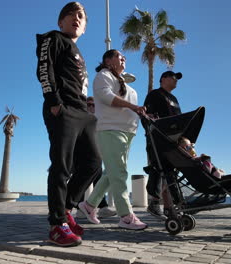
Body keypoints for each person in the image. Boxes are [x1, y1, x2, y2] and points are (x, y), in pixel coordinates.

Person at [36, 2, 102, 247]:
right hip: (62, 108)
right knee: (62, 166)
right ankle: (56, 225)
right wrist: (52, 99)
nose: (77, 18)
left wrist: (89, 103)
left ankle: (66, 209)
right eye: (72, 14)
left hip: (82, 111)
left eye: (81, 16)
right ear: (60, 22)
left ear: (84, 28)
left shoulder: (77, 50)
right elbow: (44, 68)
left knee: (93, 163)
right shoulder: (53, 38)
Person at [78, 49, 148, 230]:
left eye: (124, 56)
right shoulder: (103, 76)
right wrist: (133, 106)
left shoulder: (125, 83)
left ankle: (89, 205)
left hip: (127, 132)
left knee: (112, 172)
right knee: (119, 173)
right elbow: (106, 97)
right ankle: (126, 216)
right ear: (108, 61)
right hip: (111, 130)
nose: (123, 58)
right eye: (118, 56)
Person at [178, 136, 231, 215]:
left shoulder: (193, 160)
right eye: (188, 147)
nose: (192, 149)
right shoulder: (193, 161)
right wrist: (206, 159)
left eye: (193, 146)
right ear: (182, 150)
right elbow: (209, 172)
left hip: (212, 182)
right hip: (209, 184)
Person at [143, 71, 183, 220]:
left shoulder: (175, 99)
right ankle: (154, 202)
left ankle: (169, 208)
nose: (176, 81)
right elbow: (147, 116)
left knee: (171, 174)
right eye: (173, 77)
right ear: (163, 79)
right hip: (158, 140)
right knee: (159, 169)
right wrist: (151, 131)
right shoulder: (155, 95)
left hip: (174, 140)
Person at [75, 96, 117, 219]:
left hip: (96, 155)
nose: (91, 107)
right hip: (80, 154)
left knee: (99, 178)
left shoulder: (98, 120)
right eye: (89, 105)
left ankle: (102, 207)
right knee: (82, 179)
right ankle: (79, 209)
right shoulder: (80, 118)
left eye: (94, 105)